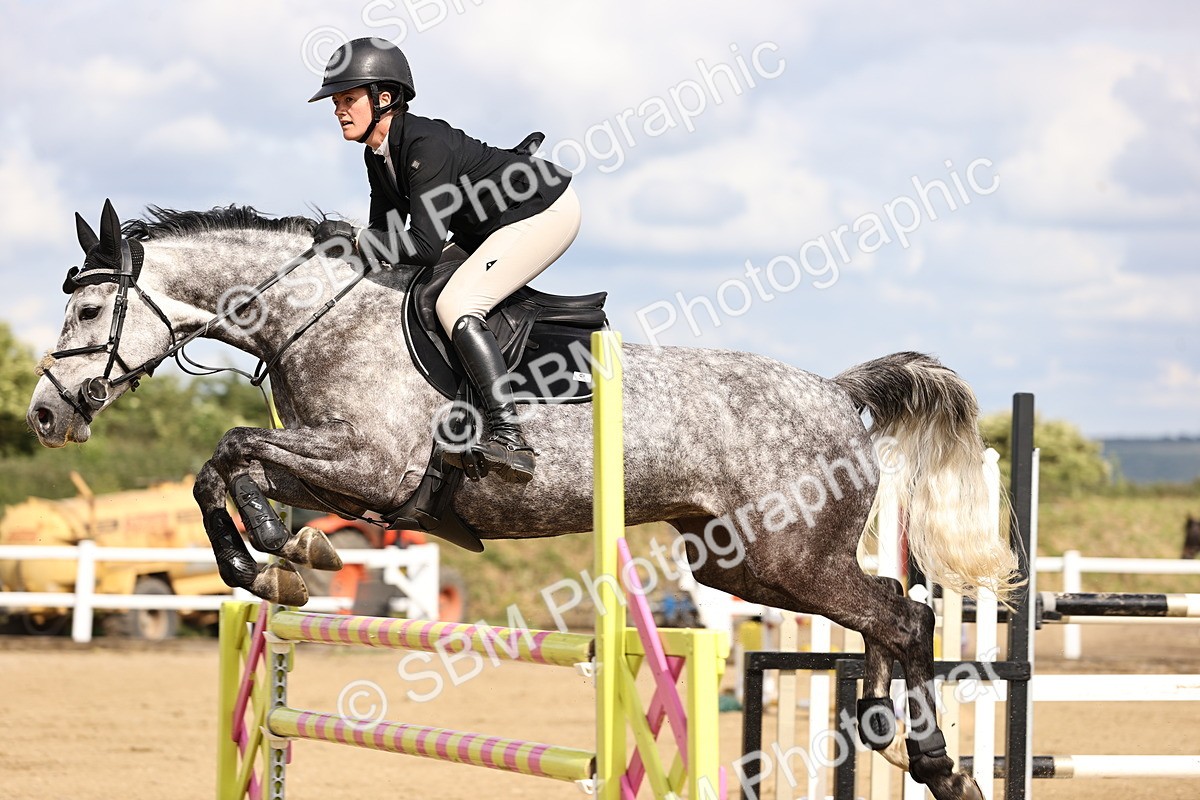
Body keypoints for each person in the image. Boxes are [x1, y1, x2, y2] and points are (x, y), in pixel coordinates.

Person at [308, 37, 580, 485]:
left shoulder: (424, 145)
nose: (338, 110)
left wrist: (354, 241)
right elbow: (388, 241)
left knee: (455, 305)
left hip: (544, 211)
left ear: (385, 98)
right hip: (490, 224)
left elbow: (422, 245)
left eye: (348, 99)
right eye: (336, 101)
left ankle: (511, 438)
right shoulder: (378, 155)